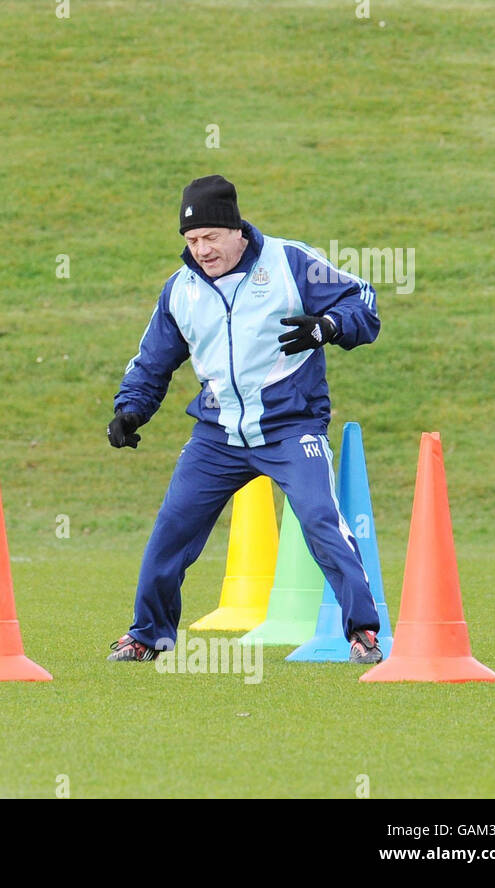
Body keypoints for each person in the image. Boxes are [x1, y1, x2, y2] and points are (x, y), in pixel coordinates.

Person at [106, 174, 384, 665]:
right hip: (217, 435)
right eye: (191, 241)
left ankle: (362, 632)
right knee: (171, 531)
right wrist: (130, 408)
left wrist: (328, 326)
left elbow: (362, 301)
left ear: (236, 230)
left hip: (291, 426)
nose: (202, 250)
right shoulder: (180, 290)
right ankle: (148, 636)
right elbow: (153, 360)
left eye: (210, 237)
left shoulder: (290, 262)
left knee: (321, 520)